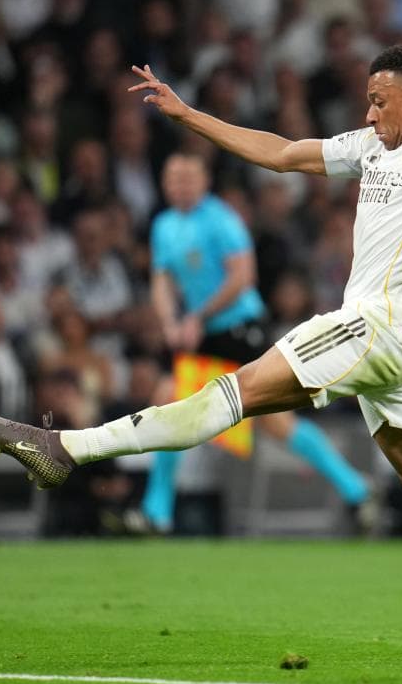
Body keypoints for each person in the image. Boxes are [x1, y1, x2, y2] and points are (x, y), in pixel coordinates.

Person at [0, 43, 402, 656]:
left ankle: (66, 450)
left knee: (229, 395)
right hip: (399, 343)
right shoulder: (373, 147)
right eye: (368, 99)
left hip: (378, 325)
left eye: (381, 99)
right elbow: (285, 152)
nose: (369, 110)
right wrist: (191, 116)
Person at [148, 152, 374, 529]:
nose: (180, 184)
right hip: (203, 335)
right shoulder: (164, 225)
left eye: (188, 176)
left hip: (239, 331)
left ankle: (354, 488)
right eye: (174, 177)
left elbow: (241, 277)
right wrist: (170, 321)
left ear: (204, 181)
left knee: (271, 423)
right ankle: (157, 512)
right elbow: (162, 279)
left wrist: (195, 316)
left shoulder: (221, 220)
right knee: (167, 398)